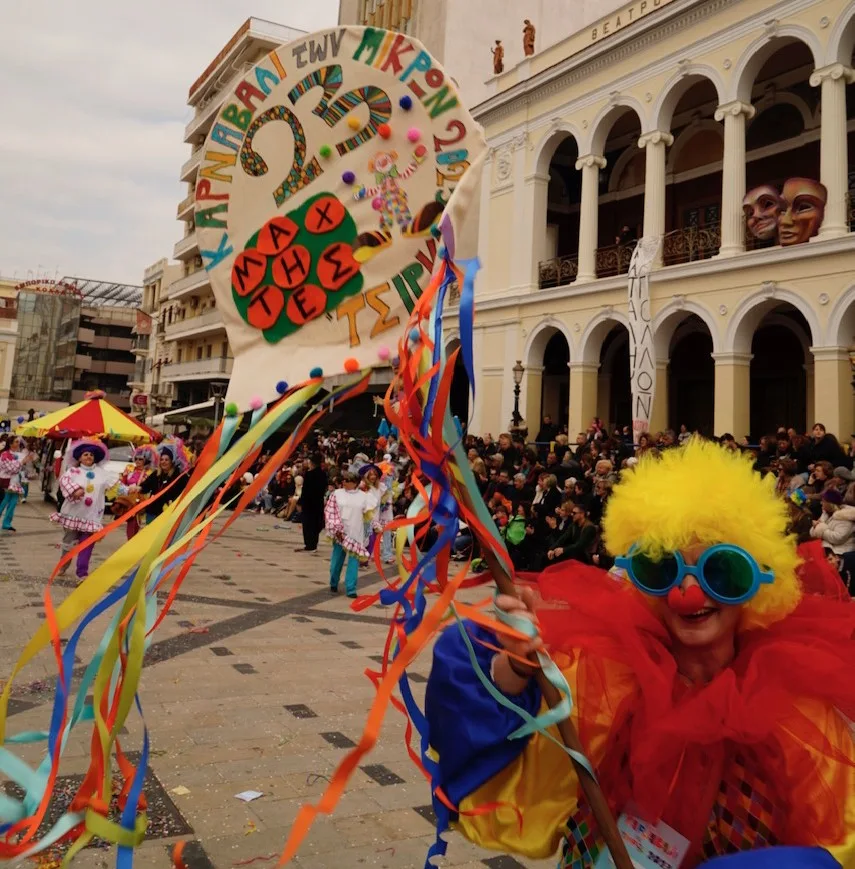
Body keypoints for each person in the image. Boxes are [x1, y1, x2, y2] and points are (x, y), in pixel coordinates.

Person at [426, 439, 855, 867]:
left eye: (721, 571)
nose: (687, 594)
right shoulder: (608, 677)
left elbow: (839, 842)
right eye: (661, 567)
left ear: (759, 579)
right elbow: (503, 760)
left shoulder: (796, 706)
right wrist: (514, 666)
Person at [50, 439, 111, 580]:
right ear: (79, 458)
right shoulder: (73, 471)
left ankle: (82, 572)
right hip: (73, 513)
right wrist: (74, 491)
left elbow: (115, 486)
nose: (89, 456)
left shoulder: (102, 473)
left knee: (87, 546)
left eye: (91, 454)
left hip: (91, 517)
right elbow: (64, 482)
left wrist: (129, 489)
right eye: (85, 454)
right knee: (68, 543)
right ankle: (63, 565)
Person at [324, 471, 376, 598]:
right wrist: (336, 529)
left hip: (356, 533)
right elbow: (330, 512)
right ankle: (334, 582)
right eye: (343, 480)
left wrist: (370, 532)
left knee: (353, 562)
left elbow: (368, 516)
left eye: (347, 480)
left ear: (355, 483)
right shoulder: (336, 494)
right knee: (336, 561)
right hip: (340, 532)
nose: (344, 482)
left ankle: (351, 588)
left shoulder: (364, 497)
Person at [139, 441, 188, 525]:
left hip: (168, 512)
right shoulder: (156, 474)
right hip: (152, 511)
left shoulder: (178, 476)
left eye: (166, 459)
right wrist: (137, 488)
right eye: (161, 459)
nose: (163, 462)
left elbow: (182, 492)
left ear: (172, 461)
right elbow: (145, 487)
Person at [114, 446, 154, 539]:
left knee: (138, 522)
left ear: (146, 460)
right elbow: (121, 483)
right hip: (130, 500)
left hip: (142, 500)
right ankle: (130, 540)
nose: (138, 461)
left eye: (141, 459)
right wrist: (126, 489)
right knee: (131, 521)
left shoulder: (149, 472)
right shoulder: (129, 469)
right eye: (136, 458)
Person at [809, 488, 855, 556]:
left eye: (823, 501)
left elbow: (838, 538)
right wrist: (816, 526)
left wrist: (820, 528)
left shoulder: (845, 516)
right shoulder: (826, 513)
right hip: (827, 546)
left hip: (839, 551)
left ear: (830, 504)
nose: (821, 503)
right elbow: (814, 532)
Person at [296, 453, 327, 552]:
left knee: (308, 524)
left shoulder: (309, 474)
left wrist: (300, 502)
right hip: (318, 502)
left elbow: (305, 491)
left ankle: (309, 544)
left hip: (309, 503)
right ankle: (313, 544)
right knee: (315, 523)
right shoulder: (323, 474)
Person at [0, 440, 23, 532]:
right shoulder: (4, 454)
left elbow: (19, 469)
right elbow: (10, 469)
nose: (18, 443)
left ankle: (7, 523)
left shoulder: (19, 454)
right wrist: (21, 462)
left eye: (18, 442)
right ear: (10, 443)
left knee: (13, 503)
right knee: (3, 502)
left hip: (15, 482)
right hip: (7, 482)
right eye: (16, 442)